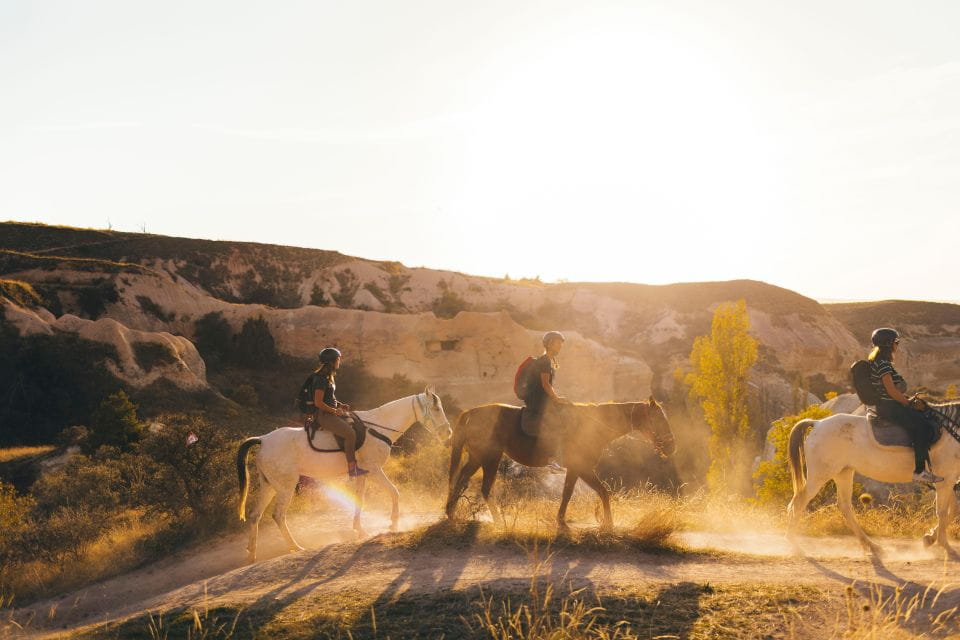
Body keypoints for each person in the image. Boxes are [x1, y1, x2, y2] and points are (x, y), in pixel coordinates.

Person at [868, 328, 942, 483]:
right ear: (889, 344)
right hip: (890, 408)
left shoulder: (881, 361)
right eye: (896, 342)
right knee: (922, 427)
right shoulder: (883, 364)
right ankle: (919, 471)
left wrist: (908, 400)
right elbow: (891, 390)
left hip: (890, 404)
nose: (898, 345)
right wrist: (909, 403)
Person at [307, 347, 368, 478]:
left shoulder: (328, 378)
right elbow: (318, 402)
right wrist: (335, 411)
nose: (339, 361)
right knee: (350, 434)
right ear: (331, 361)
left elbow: (330, 398)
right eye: (338, 359)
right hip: (324, 416)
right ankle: (352, 469)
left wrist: (340, 405)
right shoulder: (321, 379)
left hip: (330, 413)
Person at [521, 331, 572, 472]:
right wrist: (556, 399)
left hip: (542, 399)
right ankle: (551, 460)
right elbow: (545, 384)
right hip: (538, 401)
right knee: (554, 424)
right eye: (557, 343)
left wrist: (557, 398)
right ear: (549, 344)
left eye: (561, 343)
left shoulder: (547, 361)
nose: (560, 346)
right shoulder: (544, 361)